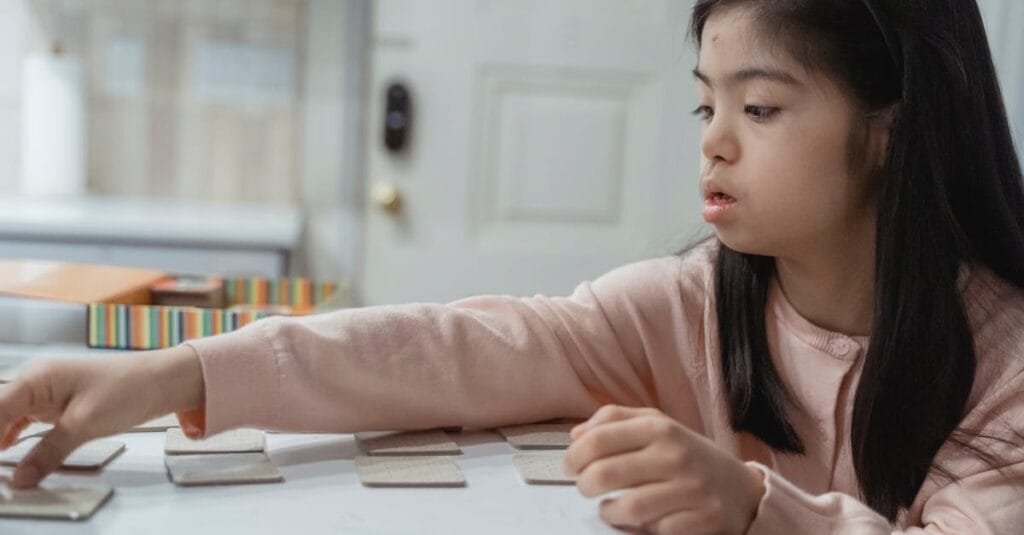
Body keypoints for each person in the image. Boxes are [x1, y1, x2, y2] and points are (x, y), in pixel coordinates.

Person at [2, 0, 1023, 532]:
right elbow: (457, 347)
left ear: (890, 129)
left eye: (757, 109)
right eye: (702, 103)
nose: (712, 141)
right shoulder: (690, 301)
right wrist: (169, 374)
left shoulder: (1003, 356)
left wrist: (754, 506)